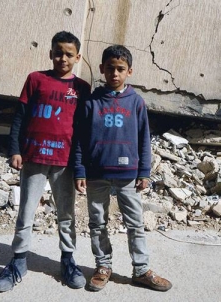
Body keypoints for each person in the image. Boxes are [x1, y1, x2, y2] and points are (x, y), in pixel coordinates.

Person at [0, 31, 91, 293]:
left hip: (64, 162)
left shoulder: (81, 88)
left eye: (69, 54)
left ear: (77, 57)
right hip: (33, 158)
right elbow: (19, 118)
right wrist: (15, 149)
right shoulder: (36, 80)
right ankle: (19, 261)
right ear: (50, 53)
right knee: (25, 212)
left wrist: (80, 167)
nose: (63, 58)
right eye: (58, 52)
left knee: (66, 215)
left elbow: (81, 131)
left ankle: (68, 261)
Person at [73, 45, 172, 292]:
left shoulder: (136, 102)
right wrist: (80, 170)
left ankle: (141, 270)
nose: (114, 74)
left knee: (135, 223)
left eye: (120, 69)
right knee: (97, 222)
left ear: (129, 71)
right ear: (101, 69)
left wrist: (144, 172)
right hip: (96, 174)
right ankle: (103, 266)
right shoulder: (92, 102)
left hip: (128, 176)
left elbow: (143, 139)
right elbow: (79, 140)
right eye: (110, 69)